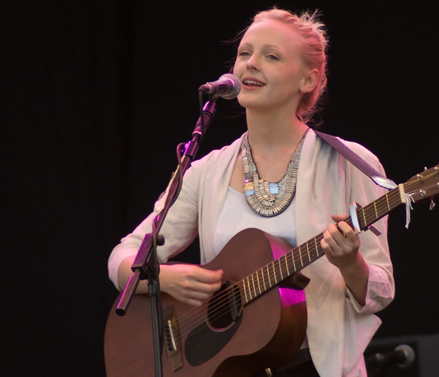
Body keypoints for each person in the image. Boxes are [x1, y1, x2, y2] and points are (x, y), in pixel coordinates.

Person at [108, 7, 395, 377]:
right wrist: (166, 279)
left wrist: (349, 262)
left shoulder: (350, 163)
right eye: (245, 54)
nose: (250, 64)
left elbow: (381, 291)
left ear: (308, 80)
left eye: (271, 56)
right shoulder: (205, 172)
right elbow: (124, 257)